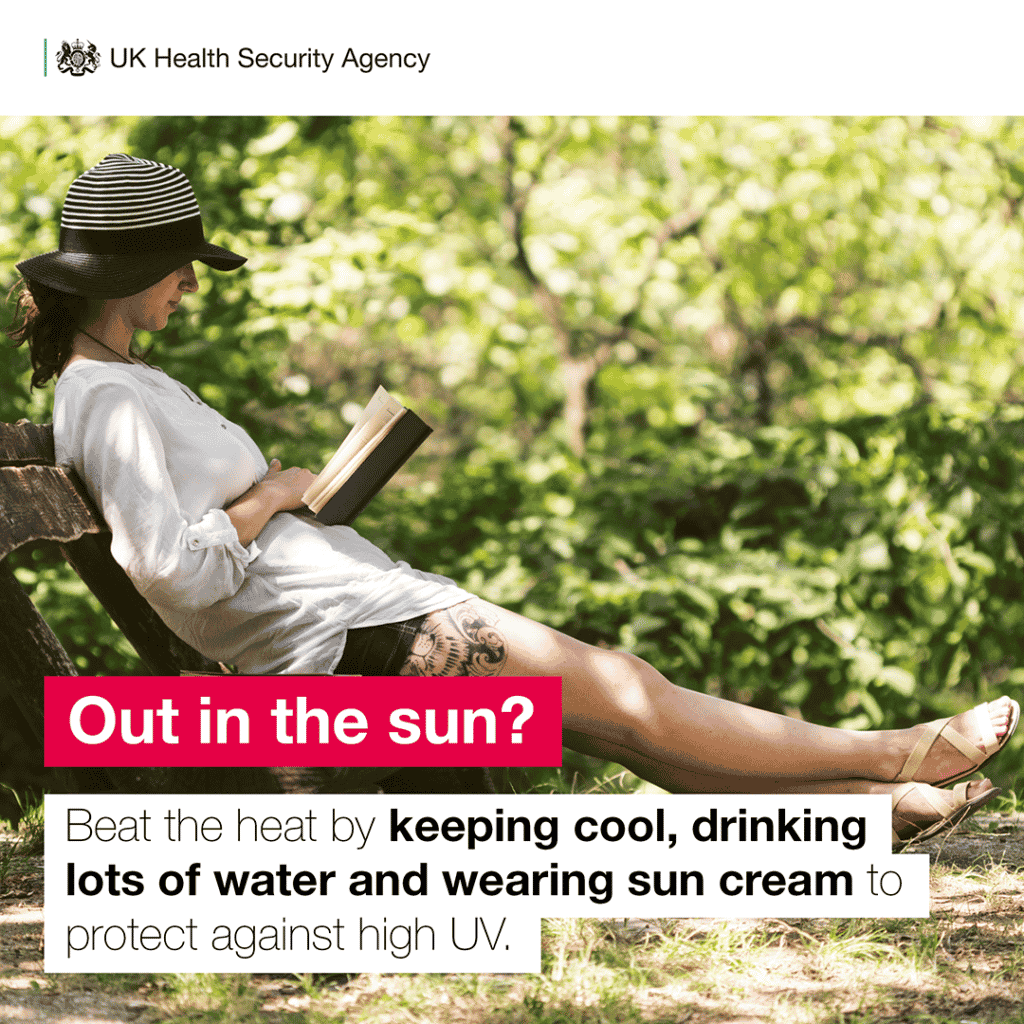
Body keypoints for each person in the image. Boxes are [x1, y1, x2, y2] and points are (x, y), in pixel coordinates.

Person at [8, 154, 1019, 847]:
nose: (189, 280)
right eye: (179, 262)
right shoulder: (107, 396)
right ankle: (894, 755)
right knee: (632, 697)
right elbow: (173, 569)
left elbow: (190, 550)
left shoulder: (119, 384)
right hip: (350, 639)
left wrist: (303, 501)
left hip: (361, 617)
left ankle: (872, 808)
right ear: (134, 267)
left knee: (627, 716)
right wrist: (271, 496)